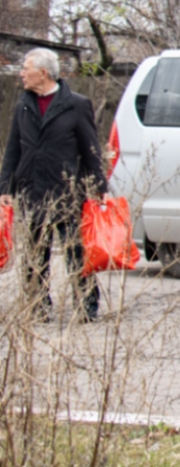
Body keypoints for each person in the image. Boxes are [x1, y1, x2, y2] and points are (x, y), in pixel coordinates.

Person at [0, 48, 109, 322]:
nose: (21, 73)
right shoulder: (23, 104)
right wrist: (6, 187)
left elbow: (91, 149)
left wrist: (99, 188)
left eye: (25, 68)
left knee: (76, 252)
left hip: (67, 192)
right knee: (35, 257)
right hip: (31, 189)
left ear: (43, 73)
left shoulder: (76, 104)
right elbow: (13, 148)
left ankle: (87, 308)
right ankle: (38, 307)